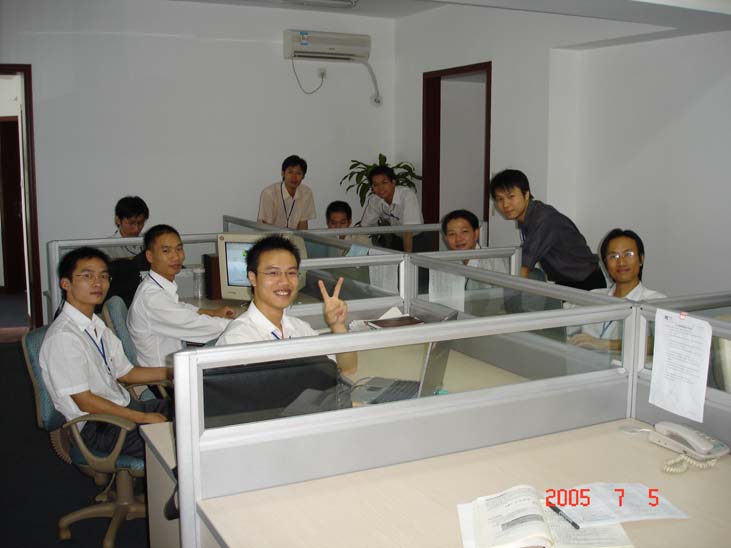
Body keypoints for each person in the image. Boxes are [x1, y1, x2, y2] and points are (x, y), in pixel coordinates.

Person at [40, 247, 171, 459]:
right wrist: (142, 418)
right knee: (181, 443)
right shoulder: (64, 337)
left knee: (196, 409)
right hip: (98, 426)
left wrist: (174, 372)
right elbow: (85, 401)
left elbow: (126, 373)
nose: (98, 283)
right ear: (66, 284)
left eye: (103, 276)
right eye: (87, 276)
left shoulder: (95, 324)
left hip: (123, 406)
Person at [216, 235, 357, 375]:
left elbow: (347, 369)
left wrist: (338, 325)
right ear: (253, 278)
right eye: (273, 273)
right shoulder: (238, 340)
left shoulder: (300, 329)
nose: (284, 281)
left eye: (291, 273)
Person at [128, 224, 234, 366]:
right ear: (150, 256)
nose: (176, 256)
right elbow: (199, 326)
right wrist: (242, 324)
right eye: (166, 251)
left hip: (175, 362)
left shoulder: (155, 285)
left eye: (179, 249)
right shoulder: (152, 298)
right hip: (166, 376)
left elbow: (178, 307)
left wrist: (211, 312)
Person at [490, 169, 605, 290]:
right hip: (566, 281)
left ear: (526, 194)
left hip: (586, 282)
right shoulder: (530, 217)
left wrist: (504, 293)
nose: (505, 204)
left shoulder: (543, 219)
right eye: (500, 199)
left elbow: (524, 266)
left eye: (511, 196)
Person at [568, 229, 665, 351]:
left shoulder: (656, 301)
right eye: (613, 256)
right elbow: (561, 321)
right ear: (606, 264)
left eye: (628, 254)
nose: (621, 262)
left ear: (641, 259)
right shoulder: (594, 296)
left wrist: (606, 344)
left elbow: (663, 342)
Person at [359, 165, 423, 252]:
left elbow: (408, 231)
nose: (380, 188)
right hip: (396, 238)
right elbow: (364, 227)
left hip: (414, 239)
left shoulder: (407, 196)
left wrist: (407, 256)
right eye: (376, 185)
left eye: (384, 183)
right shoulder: (374, 200)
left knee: (413, 260)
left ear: (393, 183)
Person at [441, 209, 509, 274]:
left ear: (476, 234)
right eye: (452, 234)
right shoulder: (446, 262)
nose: (458, 239)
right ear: (446, 239)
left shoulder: (493, 261)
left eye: (464, 231)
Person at [257, 155, 316, 229]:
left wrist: (302, 237)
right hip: (270, 235)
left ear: (303, 176)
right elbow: (267, 227)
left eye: (298, 173)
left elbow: (303, 225)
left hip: (294, 236)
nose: (294, 177)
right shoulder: (269, 193)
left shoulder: (306, 193)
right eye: (290, 172)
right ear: (283, 173)